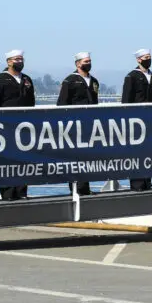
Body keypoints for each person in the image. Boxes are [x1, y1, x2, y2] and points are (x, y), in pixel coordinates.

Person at [0, 49, 35, 201]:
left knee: (24, 160)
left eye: (21, 59)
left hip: (24, 127)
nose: (20, 62)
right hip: (5, 127)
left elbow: (31, 103)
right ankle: (8, 193)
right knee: (7, 161)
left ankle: (21, 191)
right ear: (9, 61)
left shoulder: (27, 79)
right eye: (16, 59)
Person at [56, 51, 100, 196]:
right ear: (78, 64)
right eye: (85, 61)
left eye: (89, 61)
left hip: (89, 125)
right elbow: (62, 104)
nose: (88, 64)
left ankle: (85, 187)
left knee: (87, 158)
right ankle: (76, 189)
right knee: (75, 158)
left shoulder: (94, 81)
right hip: (74, 126)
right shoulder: (70, 81)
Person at [121, 49, 152, 192]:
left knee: (149, 152)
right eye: (146, 57)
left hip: (150, 120)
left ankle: (147, 180)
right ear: (139, 59)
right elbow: (126, 100)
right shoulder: (132, 77)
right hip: (135, 121)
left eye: (150, 57)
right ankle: (137, 183)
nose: (149, 59)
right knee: (136, 153)